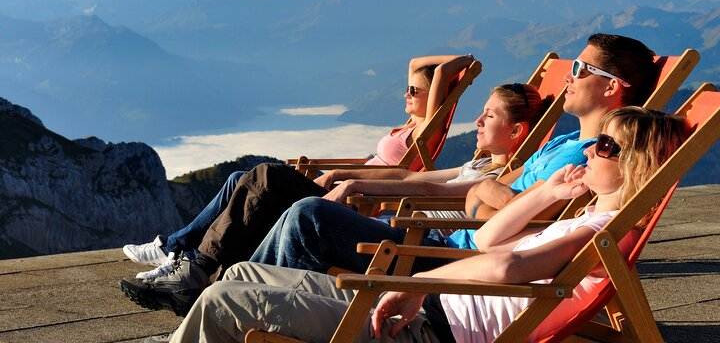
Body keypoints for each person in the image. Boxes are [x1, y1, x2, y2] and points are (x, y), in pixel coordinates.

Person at [121, 33, 659, 318]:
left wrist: (485, 191)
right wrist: (375, 185)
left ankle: (221, 292)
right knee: (273, 188)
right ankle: (210, 281)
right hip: (448, 235)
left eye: (583, 71)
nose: (571, 77)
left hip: (453, 255)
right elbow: (473, 191)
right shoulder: (567, 143)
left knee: (297, 208)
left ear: (612, 89)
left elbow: (510, 221)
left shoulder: (595, 157)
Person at [166, 107, 691, 343]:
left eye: (606, 145)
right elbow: (487, 239)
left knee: (222, 300)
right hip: (419, 302)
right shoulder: (592, 216)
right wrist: (547, 193)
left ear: (637, 167)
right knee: (239, 276)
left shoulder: (601, 232)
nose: (591, 148)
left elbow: (507, 263)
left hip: (421, 326)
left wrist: (413, 286)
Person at [120, 81, 550, 317]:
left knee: (269, 180)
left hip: (416, 243)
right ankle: (187, 257)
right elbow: (411, 174)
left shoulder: (495, 174)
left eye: (489, 115)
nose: (477, 119)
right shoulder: (478, 164)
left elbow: (429, 190)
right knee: (241, 177)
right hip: (395, 225)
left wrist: (358, 188)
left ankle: (199, 270)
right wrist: (348, 174)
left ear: (515, 132)